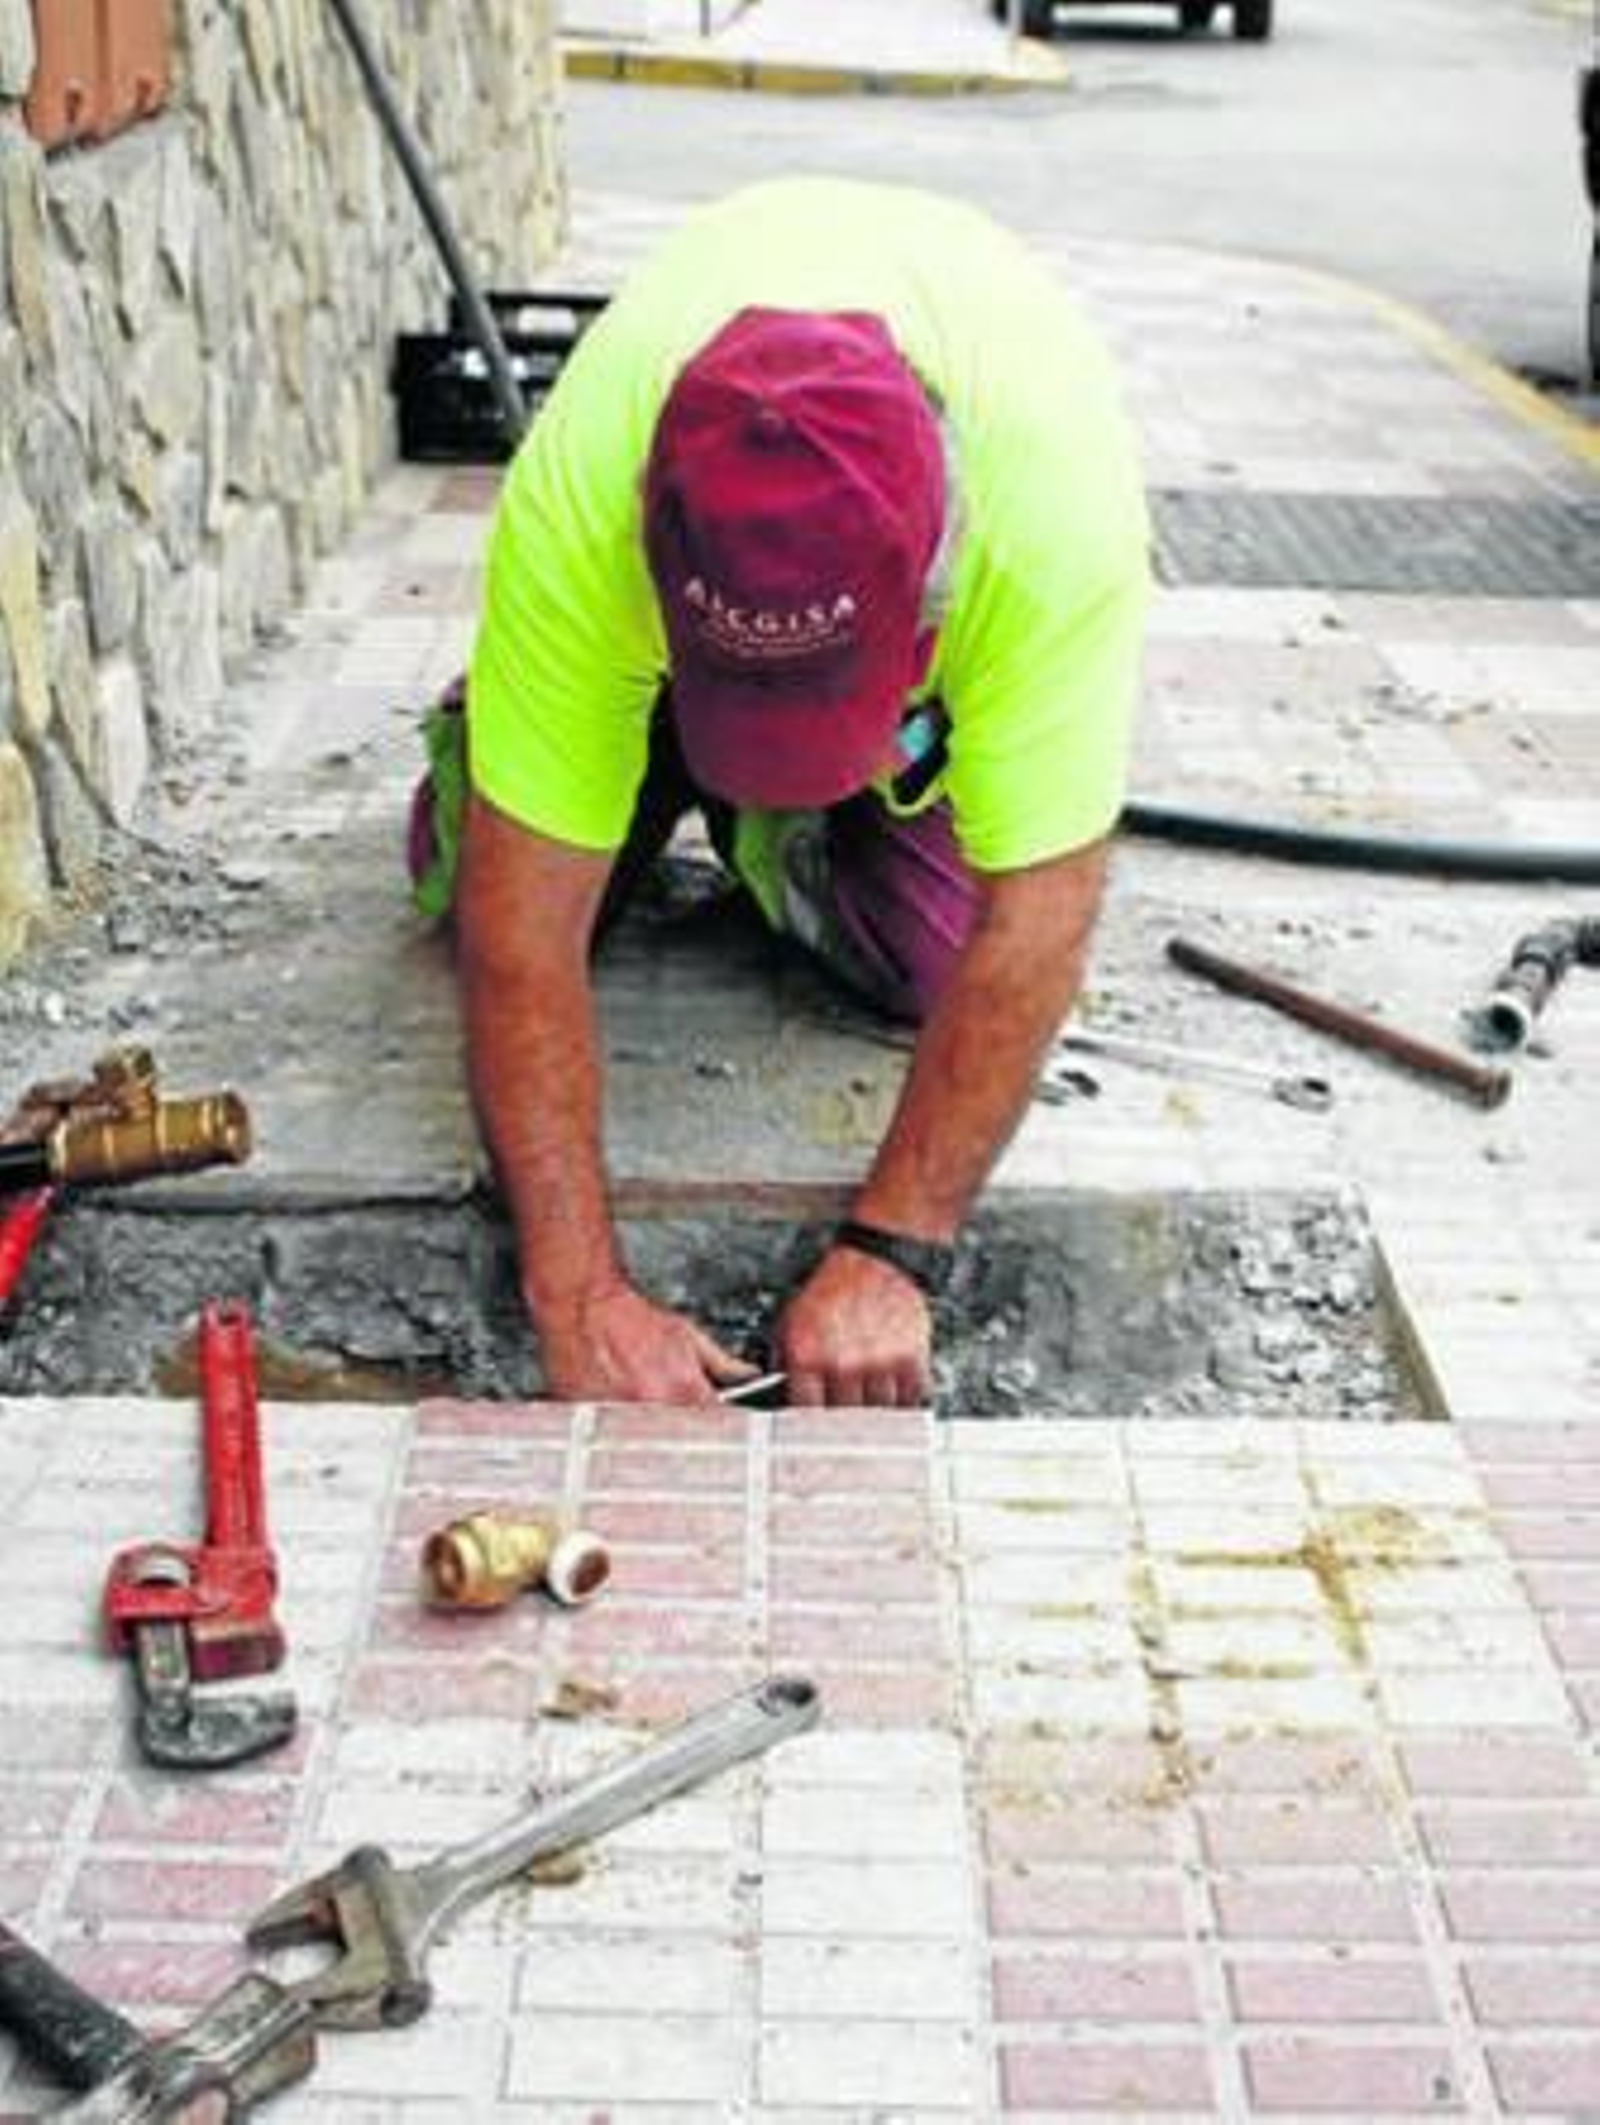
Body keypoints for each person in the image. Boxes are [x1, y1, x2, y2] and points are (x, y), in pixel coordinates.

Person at [417, 177, 1149, 1409]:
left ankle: (766, 808)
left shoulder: (1050, 526)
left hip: (914, 610)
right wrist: (578, 1289)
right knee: (476, 886)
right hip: (636, 643)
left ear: (927, 637)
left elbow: (1043, 914)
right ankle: (525, 728)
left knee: (932, 961)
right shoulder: (583, 504)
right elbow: (520, 932)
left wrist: (890, 1249)